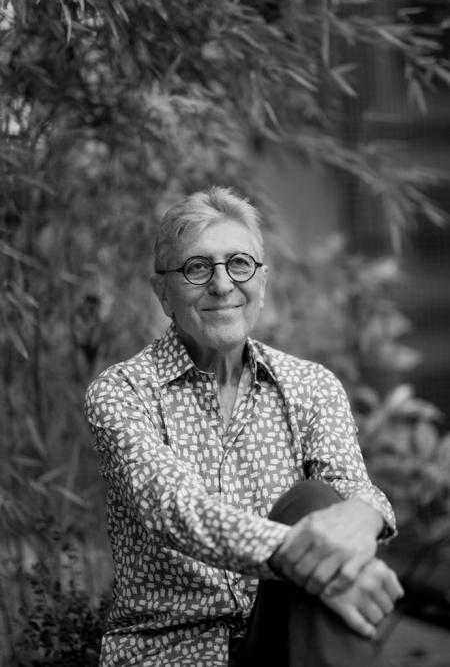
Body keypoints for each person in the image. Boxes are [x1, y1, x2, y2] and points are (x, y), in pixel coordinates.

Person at [85, 187, 403, 667]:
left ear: (262, 281)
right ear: (163, 293)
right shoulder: (122, 393)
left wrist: (364, 517)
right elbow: (177, 511)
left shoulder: (311, 386)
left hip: (282, 638)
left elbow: (351, 490)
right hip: (172, 650)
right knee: (320, 525)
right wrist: (311, 561)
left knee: (314, 501)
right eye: (197, 268)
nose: (221, 285)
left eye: (239, 263)